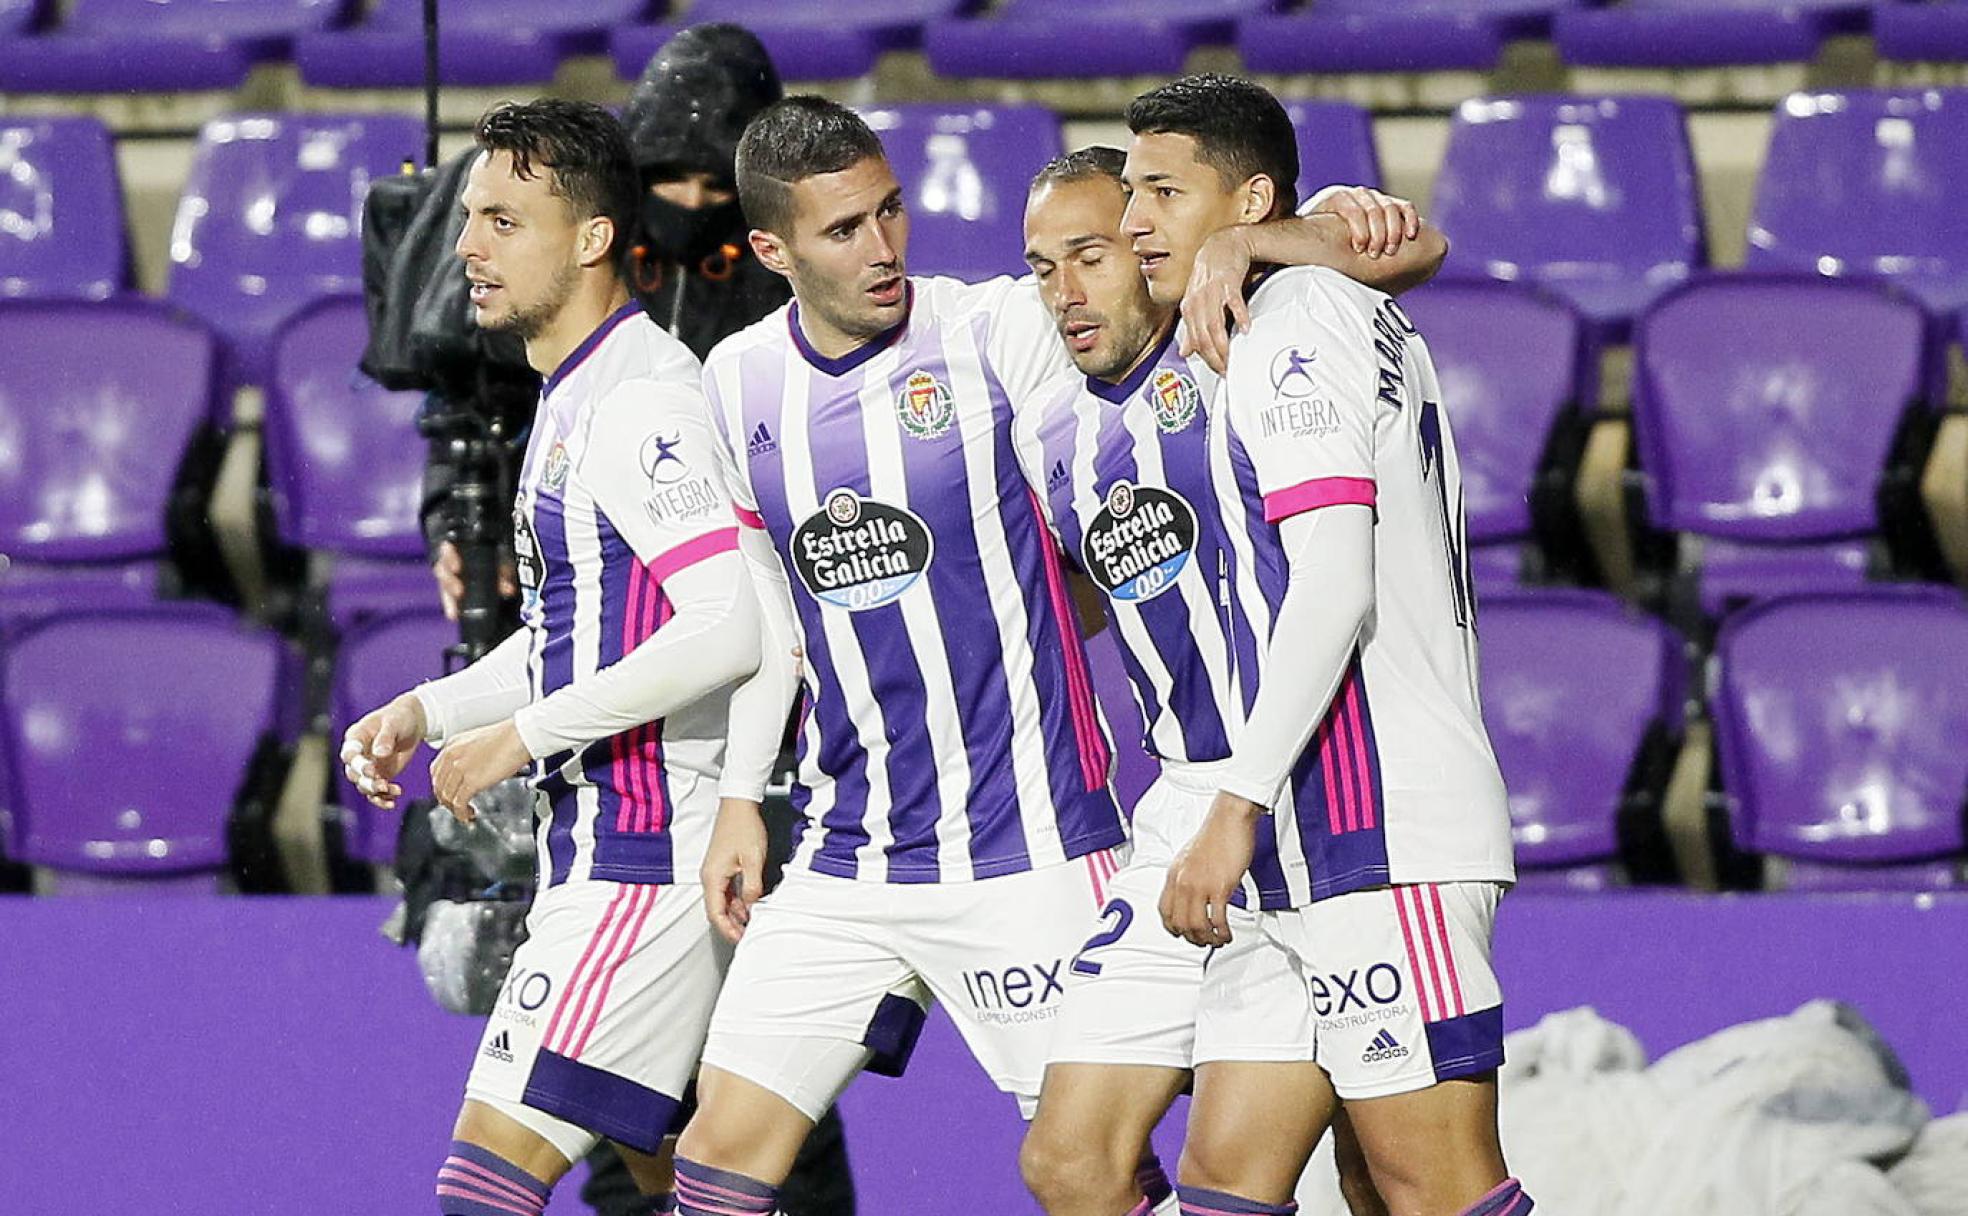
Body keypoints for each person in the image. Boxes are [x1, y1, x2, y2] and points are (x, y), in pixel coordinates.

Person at [664, 95, 1133, 1216]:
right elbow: (766, 614)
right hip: (850, 852)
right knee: (717, 1160)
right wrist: (740, 797)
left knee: (1093, 1180)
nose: (882, 250)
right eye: (842, 231)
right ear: (770, 249)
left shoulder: (994, 330)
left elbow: (1112, 549)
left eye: (891, 212)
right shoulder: (731, 382)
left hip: (1030, 848)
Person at [339, 99, 762, 1216]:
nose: (467, 245)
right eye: (472, 215)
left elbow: (727, 625)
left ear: (589, 238)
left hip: (646, 855)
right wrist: (428, 710)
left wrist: (513, 743)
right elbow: (587, 633)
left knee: (483, 1188)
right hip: (608, 855)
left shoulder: (644, 403)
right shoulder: (575, 397)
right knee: (687, 1184)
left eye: (502, 220)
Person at [1122, 75, 1530, 1216]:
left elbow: (1335, 581)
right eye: (1129, 191)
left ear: (1248, 201)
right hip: (1303, 841)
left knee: (1430, 1186)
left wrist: (1233, 800)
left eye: (1165, 190)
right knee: (1226, 1187)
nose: (1137, 218)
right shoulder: (1302, 300)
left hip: (1378, 825)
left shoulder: (1297, 319)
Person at [1012, 146, 1446, 1216]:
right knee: (1071, 1163)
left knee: (1375, 1174)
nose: (1065, 289)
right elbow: (1100, 588)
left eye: (1094, 254)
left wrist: (1242, 242)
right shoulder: (1050, 418)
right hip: (1178, 807)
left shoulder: (1248, 327)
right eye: (1041, 267)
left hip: (1306, 782)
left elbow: (1408, 242)